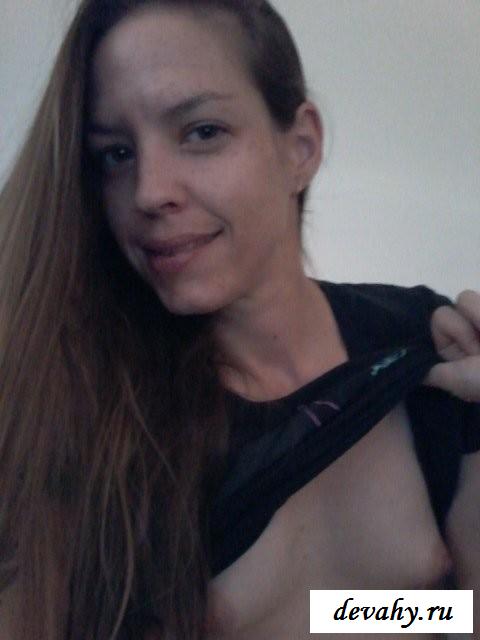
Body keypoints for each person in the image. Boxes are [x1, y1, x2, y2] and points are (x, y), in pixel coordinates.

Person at [0, 1, 479, 638]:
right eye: (115, 154)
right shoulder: (82, 425)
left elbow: (458, 615)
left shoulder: (420, 345)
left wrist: (353, 613)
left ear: (300, 147)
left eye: (201, 132)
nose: (149, 191)